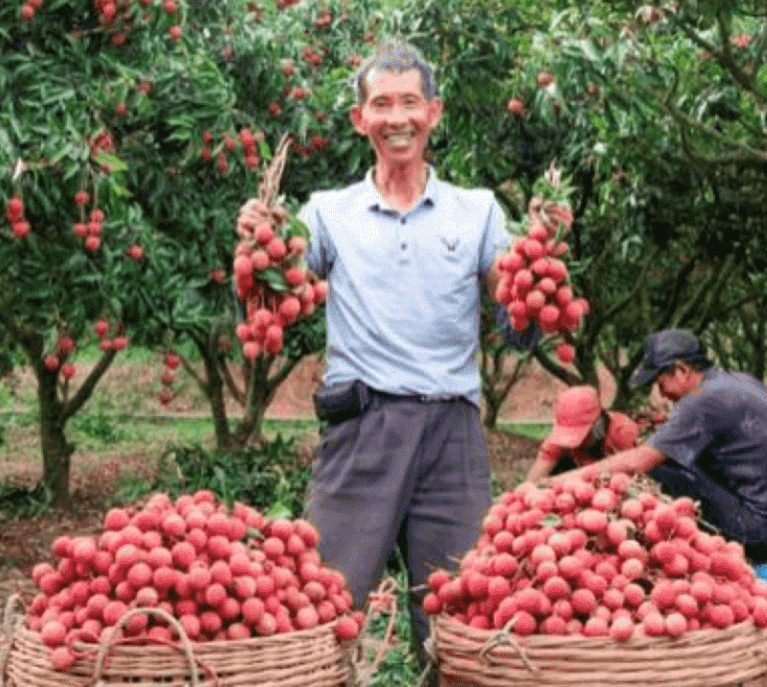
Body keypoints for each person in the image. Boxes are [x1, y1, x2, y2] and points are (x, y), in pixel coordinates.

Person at [237, 41, 552, 665]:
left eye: (410, 102)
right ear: (361, 120)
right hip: (363, 428)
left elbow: (515, 327)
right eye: (382, 104)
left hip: (452, 433)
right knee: (324, 605)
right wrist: (258, 245)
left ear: (433, 113)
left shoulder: (479, 210)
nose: (397, 117)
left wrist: (538, 286)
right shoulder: (328, 213)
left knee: (457, 618)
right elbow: (274, 305)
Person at [560, 328, 767, 563]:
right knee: (678, 465)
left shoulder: (701, 401)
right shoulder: (734, 381)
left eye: (659, 382)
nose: (661, 392)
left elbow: (638, 462)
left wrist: (566, 480)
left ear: (682, 370)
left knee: (651, 476)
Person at [523, 383, 646, 482]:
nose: (573, 443)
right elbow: (533, 480)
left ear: (597, 422)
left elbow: (635, 479)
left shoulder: (622, 432)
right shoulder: (559, 438)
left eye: (579, 434)